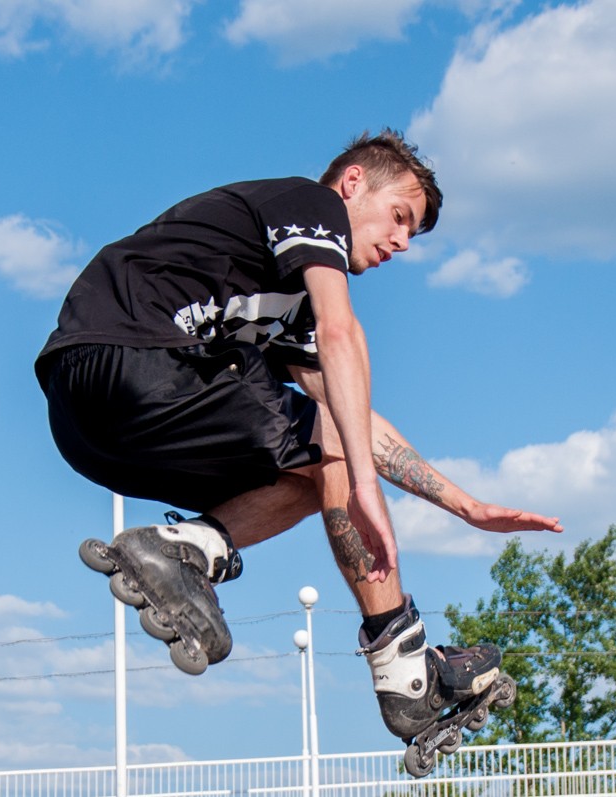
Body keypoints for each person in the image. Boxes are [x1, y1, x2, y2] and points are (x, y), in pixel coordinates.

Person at [35, 129, 563, 743]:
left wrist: (465, 506)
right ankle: (404, 667)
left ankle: (185, 548)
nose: (401, 243)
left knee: (315, 468)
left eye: (412, 234)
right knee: (334, 452)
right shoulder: (311, 204)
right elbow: (342, 334)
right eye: (399, 217)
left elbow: (351, 413)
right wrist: (363, 484)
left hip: (85, 425)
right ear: (354, 182)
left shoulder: (288, 306)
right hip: (136, 359)